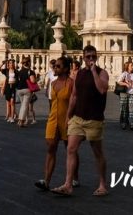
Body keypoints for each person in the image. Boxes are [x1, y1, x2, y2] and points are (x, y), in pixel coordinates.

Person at [51, 44, 110, 197]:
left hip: (94, 119)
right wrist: (69, 116)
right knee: (71, 149)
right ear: (83, 58)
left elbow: (102, 89)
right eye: (88, 57)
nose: (91, 59)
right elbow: (74, 96)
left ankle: (102, 184)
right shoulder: (78, 74)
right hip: (78, 118)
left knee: (97, 152)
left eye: (93, 56)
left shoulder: (102, 73)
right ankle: (68, 184)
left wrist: (93, 72)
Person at [36, 57, 75, 191]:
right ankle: (46, 181)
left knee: (70, 149)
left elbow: (74, 102)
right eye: (55, 66)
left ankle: (73, 178)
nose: (55, 68)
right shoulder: (53, 84)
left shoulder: (71, 83)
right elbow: (52, 103)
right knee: (50, 147)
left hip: (67, 119)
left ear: (65, 69)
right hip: (53, 118)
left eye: (58, 66)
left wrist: (71, 119)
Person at [117, 60, 133, 131]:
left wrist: (132, 82)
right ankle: (123, 123)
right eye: (131, 66)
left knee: (132, 109)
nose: (132, 67)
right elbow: (118, 81)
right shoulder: (124, 74)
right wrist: (126, 84)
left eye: (132, 66)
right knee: (123, 108)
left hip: (132, 93)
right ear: (127, 67)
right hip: (124, 93)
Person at [16, 57, 34, 127]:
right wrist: (37, 78)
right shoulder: (30, 71)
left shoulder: (19, 71)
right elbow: (33, 81)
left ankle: (21, 120)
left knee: (23, 105)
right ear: (29, 62)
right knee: (25, 105)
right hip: (27, 90)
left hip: (19, 90)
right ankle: (21, 121)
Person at [0, 58, 17, 122]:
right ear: (8, 64)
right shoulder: (6, 70)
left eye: (13, 63)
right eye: (10, 63)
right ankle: (9, 116)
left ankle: (12, 117)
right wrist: (3, 63)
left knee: (12, 102)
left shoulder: (16, 71)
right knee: (8, 102)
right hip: (8, 87)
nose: (12, 64)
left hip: (13, 87)